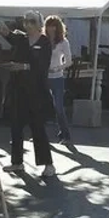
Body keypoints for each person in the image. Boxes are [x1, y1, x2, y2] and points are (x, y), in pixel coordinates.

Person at [0, 11, 56, 177]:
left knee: (38, 129)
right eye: (25, 21)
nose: (28, 25)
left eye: (32, 21)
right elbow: (10, 37)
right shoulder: (21, 39)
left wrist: (23, 67)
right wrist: (4, 31)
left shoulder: (44, 43)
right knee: (15, 127)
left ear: (39, 24)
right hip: (18, 90)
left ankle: (48, 165)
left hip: (37, 93)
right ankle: (17, 163)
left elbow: (42, 67)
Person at [43, 15, 74, 146]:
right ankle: (41, 134)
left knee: (59, 107)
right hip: (44, 77)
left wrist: (56, 68)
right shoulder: (43, 40)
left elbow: (69, 61)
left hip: (57, 78)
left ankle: (65, 134)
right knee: (41, 106)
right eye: (49, 26)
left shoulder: (63, 42)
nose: (51, 29)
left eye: (54, 26)